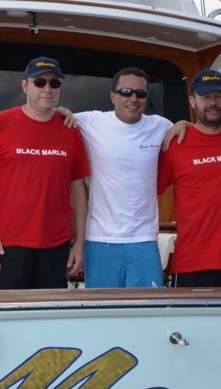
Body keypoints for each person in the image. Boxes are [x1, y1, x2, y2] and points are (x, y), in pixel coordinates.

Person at [0, 56, 90, 290]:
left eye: (54, 84)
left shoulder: (70, 129)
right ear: (25, 85)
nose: (47, 88)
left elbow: (78, 188)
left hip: (55, 245)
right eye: (40, 82)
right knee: (5, 318)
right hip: (8, 244)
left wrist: (79, 243)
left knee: (48, 320)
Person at [64, 67, 172, 288]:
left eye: (140, 93)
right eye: (126, 92)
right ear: (113, 96)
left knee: (148, 312)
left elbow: (189, 132)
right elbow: (54, 120)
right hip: (100, 240)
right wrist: (62, 111)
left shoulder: (161, 126)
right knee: (104, 315)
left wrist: (183, 124)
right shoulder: (90, 122)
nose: (133, 98)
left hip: (144, 240)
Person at [158, 69, 221, 288]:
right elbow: (150, 189)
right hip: (192, 262)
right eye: (206, 97)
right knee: (190, 324)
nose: (213, 103)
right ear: (192, 100)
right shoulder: (175, 143)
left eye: (218, 96)